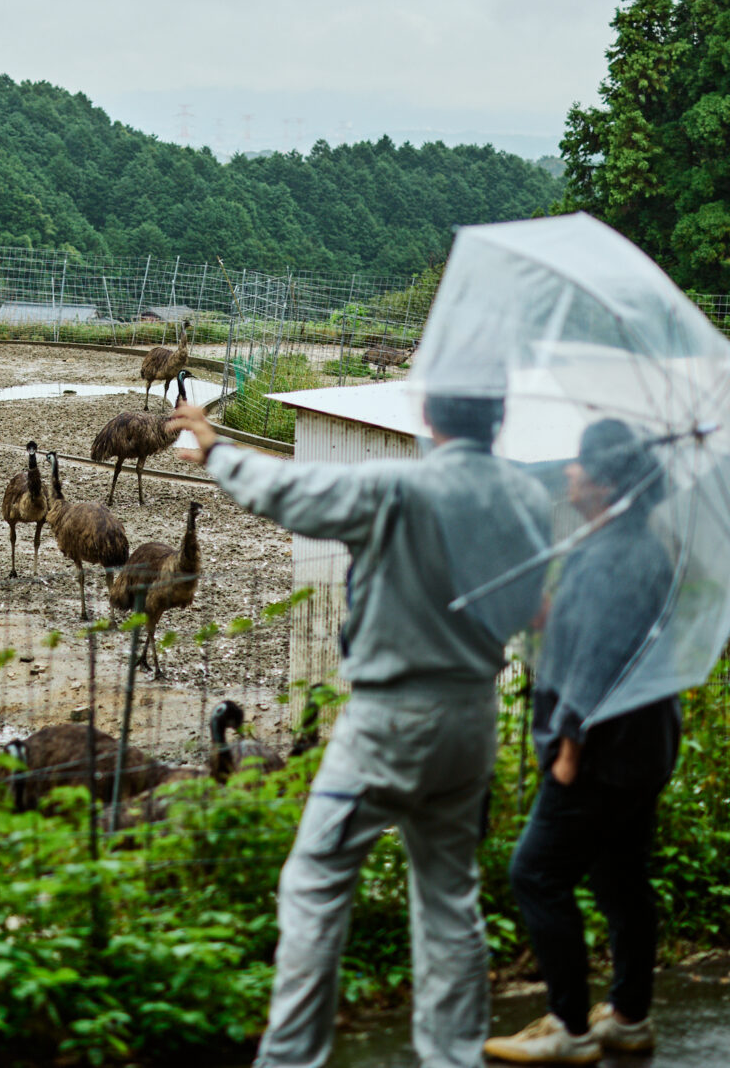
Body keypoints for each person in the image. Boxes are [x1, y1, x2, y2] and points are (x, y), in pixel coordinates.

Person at [167, 376, 550, 1068]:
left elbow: (295, 494)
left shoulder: (399, 489)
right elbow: (535, 607)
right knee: (449, 897)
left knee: (316, 880)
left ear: (430, 417)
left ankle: (290, 1059)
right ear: (497, 423)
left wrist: (217, 448)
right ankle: (452, 1057)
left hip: (392, 717)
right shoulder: (524, 498)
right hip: (473, 714)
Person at [483, 418, 679, 1064]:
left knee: (535, 872)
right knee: (621, 875)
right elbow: (599, 632)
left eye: (579, 465)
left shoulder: (612, 556)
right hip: (642, 747)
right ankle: (627, 1017)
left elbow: (597, 662)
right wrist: (549, 610)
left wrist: (567, 747)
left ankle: (568, 1027)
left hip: (599, 755)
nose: (568, 471)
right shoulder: (631, 543)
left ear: (605, 482)